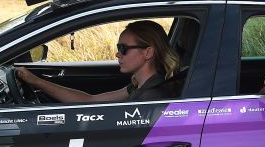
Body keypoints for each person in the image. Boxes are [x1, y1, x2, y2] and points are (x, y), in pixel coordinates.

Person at [16, 20, 179, 103]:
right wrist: (36, 81)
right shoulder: (140, 85)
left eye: (123, 48)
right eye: (118, 47)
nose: (117, 54)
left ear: (148, 52)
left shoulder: (151, 95)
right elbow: (89, 100)